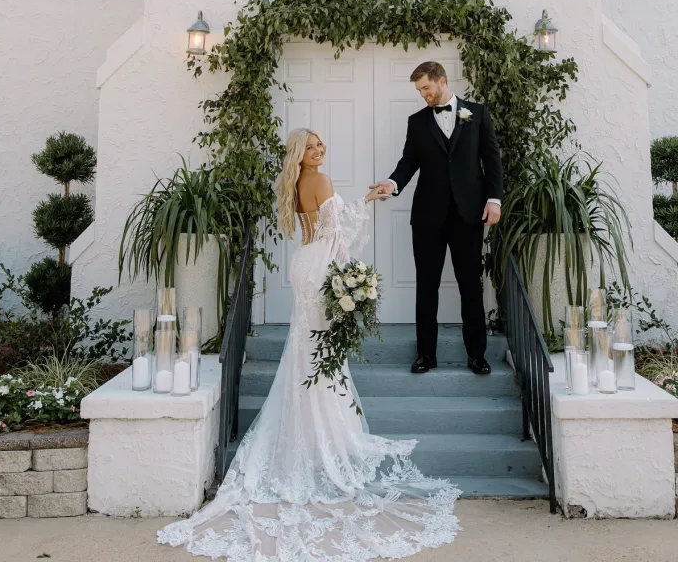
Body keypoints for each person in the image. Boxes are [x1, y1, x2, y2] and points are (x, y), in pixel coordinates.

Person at [158, 128, 461, 560]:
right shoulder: (320, 179)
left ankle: (308, 430)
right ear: (300, 154)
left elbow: (319, 229)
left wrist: (363, 203)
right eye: (311, 146)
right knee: (322, 350)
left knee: (307, 350)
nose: (319, 150)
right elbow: (339, 235)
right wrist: (353, 260)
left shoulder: (296, 182)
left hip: (303, 264)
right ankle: (325, 438)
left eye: (320, 144)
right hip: (320, 269)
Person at [371, 62, 503, 376]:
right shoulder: (417, 122)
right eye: (419, 90)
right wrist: (391, 183)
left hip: (468, 215)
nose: (423, 95)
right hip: (428, 217)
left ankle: (477, 355)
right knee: (426, 286)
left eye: (426, 88)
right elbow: (408, 161)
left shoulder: (477, 113)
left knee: (470, 286)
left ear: (442, 81)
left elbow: (491, 159)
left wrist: (494, 200)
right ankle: (425, 355)